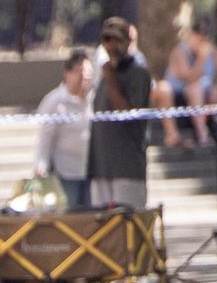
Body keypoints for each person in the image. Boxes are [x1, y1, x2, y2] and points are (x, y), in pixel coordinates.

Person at [155, 20, 217, 147]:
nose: (201, 42)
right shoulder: (180, 52)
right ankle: (202, 135)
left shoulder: (211, 49)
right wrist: (201, 59)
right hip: (182, 96)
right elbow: (189, 78)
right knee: (194, 89)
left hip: (206, 96)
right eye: (198, 37)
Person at [87, 17, 151, 210]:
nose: (112, 45)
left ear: (128, 42)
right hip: (101, 167)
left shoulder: (138, 74)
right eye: (107, 40)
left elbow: (126, 113)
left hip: (127, 168)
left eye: (117, 40)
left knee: (129, 230)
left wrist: (111, 78)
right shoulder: (104, 77)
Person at [34, 49, 93, 209]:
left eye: (88, 72)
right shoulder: (54, 101)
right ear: (67, 73)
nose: (84, 76)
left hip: (90, 172)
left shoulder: (94, 100)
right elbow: (45, 138)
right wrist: (41, 165)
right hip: (65, 174)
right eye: (80, 71)